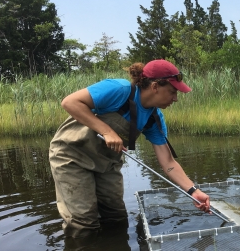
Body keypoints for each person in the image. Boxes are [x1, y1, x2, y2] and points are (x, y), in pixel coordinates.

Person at [50, 59, 211, 238]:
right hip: (72, 157)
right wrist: (107, 131)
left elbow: (168, 162)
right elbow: (70, 102)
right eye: (172, 92)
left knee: (116, 218)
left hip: (106, 163)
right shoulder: (120, 89)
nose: (175, 98)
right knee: (84, 223)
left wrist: (193, 191)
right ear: (156, 86)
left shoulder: (154, 119)